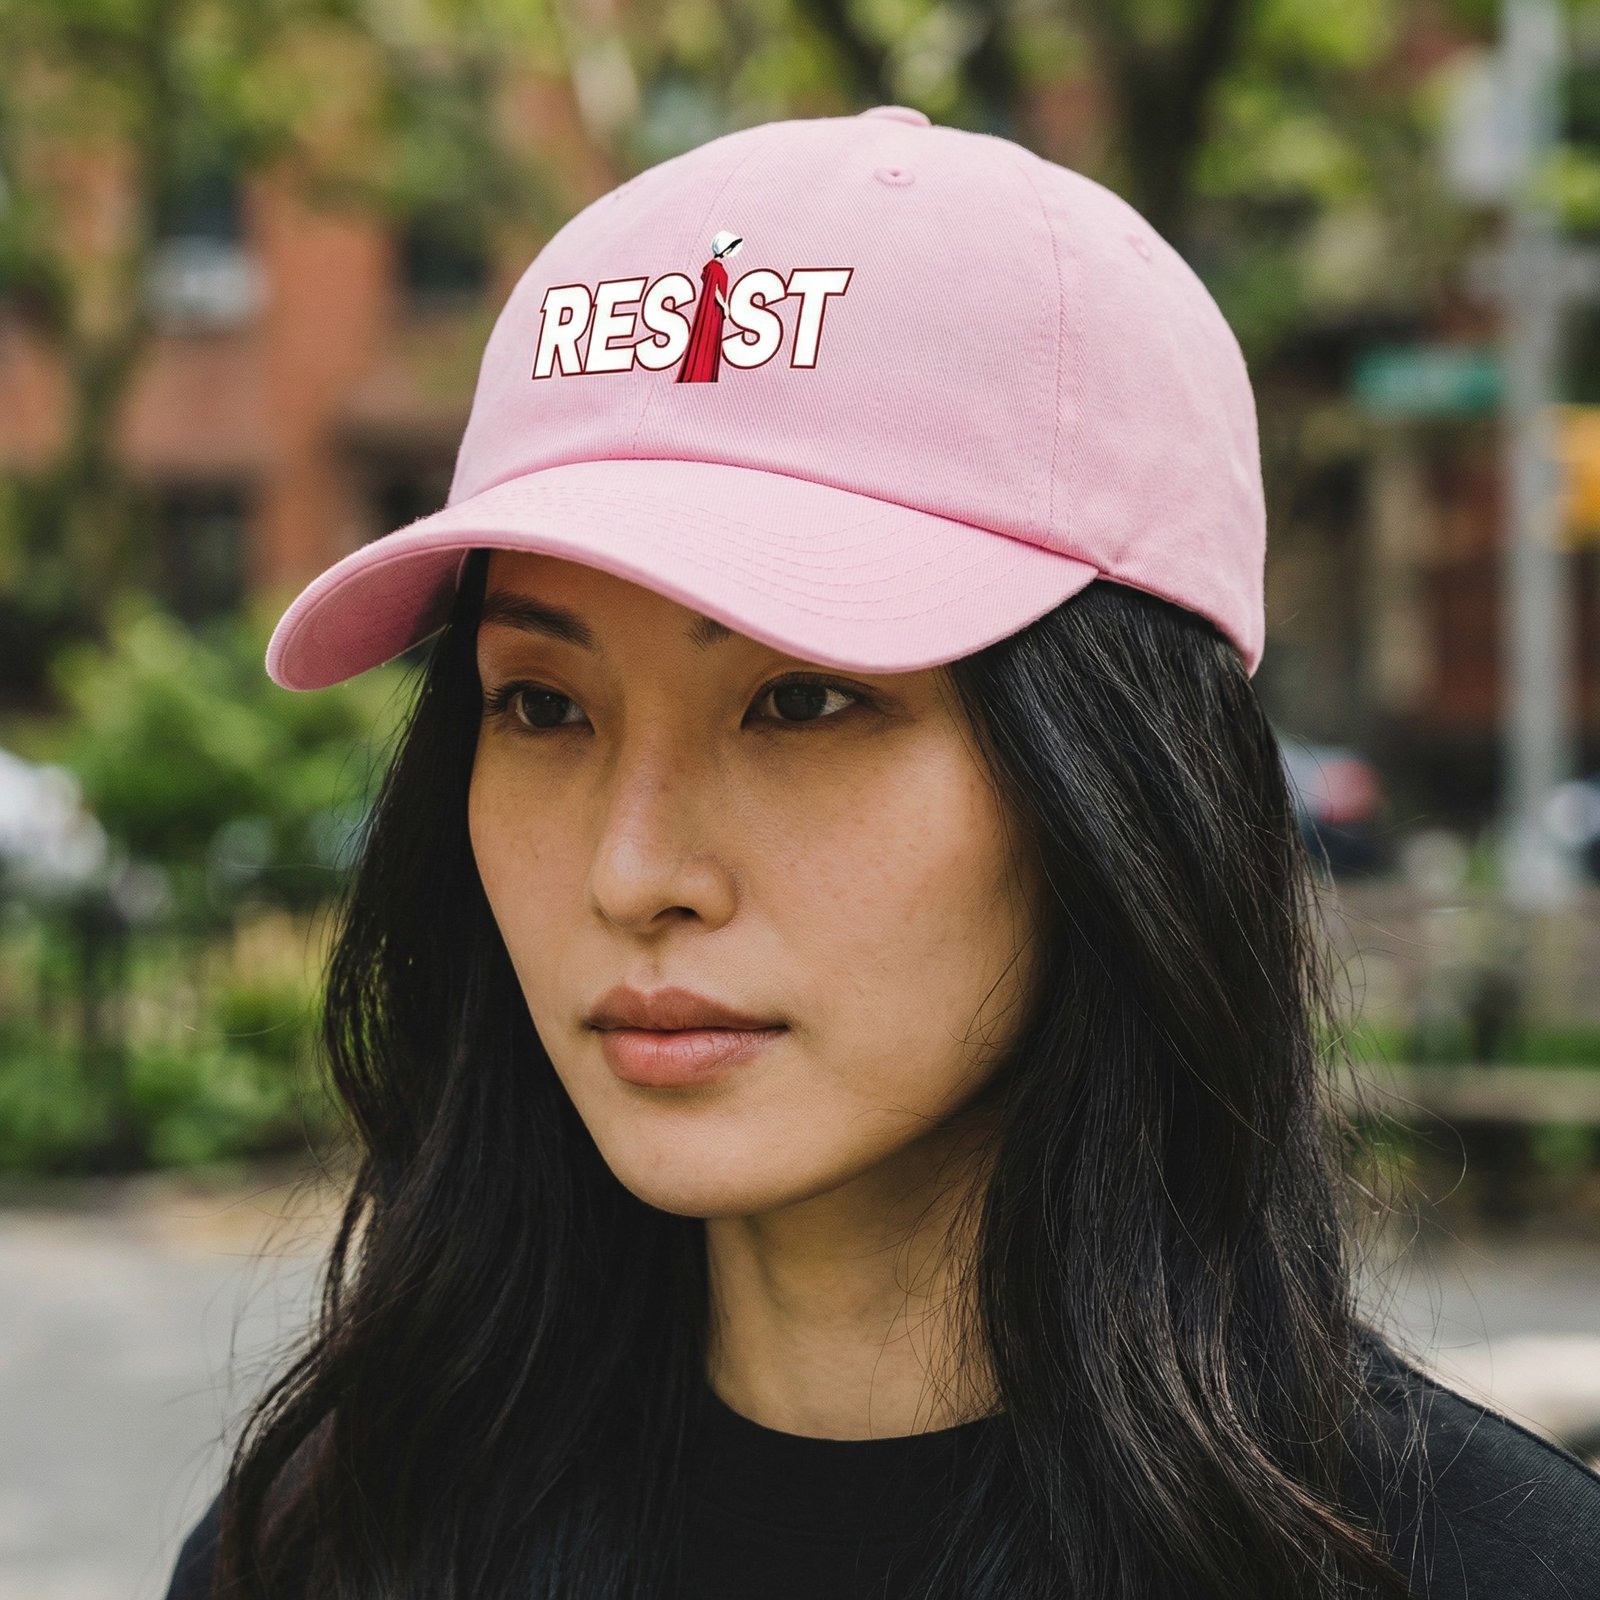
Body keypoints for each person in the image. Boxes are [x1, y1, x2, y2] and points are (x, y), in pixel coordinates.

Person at [162, 105, 1600, 1600]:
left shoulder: (1480, 1571)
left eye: (803, 699)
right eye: (539, 704)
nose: (632, 871)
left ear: (1120, 782)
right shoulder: (333, 1543)